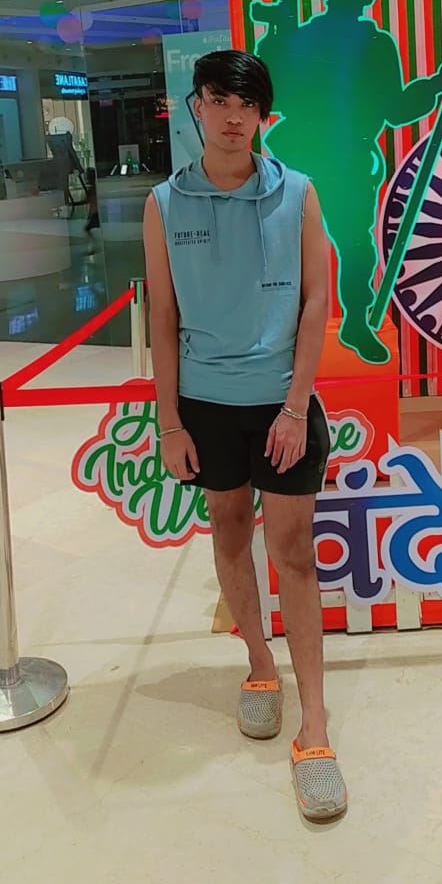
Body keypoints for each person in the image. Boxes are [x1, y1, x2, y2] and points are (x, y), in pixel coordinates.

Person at [142, 49, 347, 822]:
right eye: (219, 101)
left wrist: (294, 407)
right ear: (196, 106)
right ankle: (260, 665)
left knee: (293, 551)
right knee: (229, 528)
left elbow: (316, 303)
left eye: (247, 104)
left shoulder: (297, 193)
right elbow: (163, 318)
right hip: (205, 404)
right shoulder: (165, 203)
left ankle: (315, 726)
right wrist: (169, 422)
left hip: (282, 405)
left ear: (264, 116)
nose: (233, 117)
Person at [256, 0, 442, 363]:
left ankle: (347, 322)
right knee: (348, 245)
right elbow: (397, 109)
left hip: (317, 156)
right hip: (329, 157)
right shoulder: (369, 43)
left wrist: (277, 41)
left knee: (319, 247)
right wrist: (438, 83)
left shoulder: (305, 38)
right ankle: (345, 321)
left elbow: (276, 99)